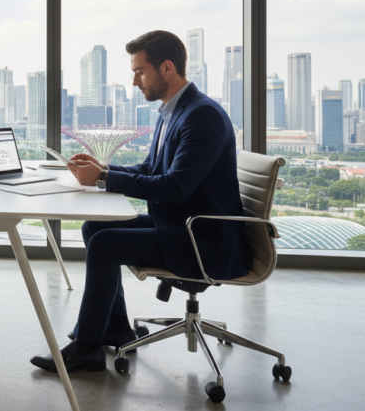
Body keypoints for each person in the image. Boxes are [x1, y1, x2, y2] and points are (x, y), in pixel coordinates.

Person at [30, 30, 250, 373]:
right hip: (181, 224)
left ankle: (87, 347)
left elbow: (176, 188)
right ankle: (117, 328)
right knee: (95, 227)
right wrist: (104, 168)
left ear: (166, 68)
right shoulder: (174, 111)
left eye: (140, 71)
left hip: (204, 238)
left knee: (104, 245)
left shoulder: (201, 116)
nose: (135, 81)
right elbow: (151, 170)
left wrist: (102, 179)